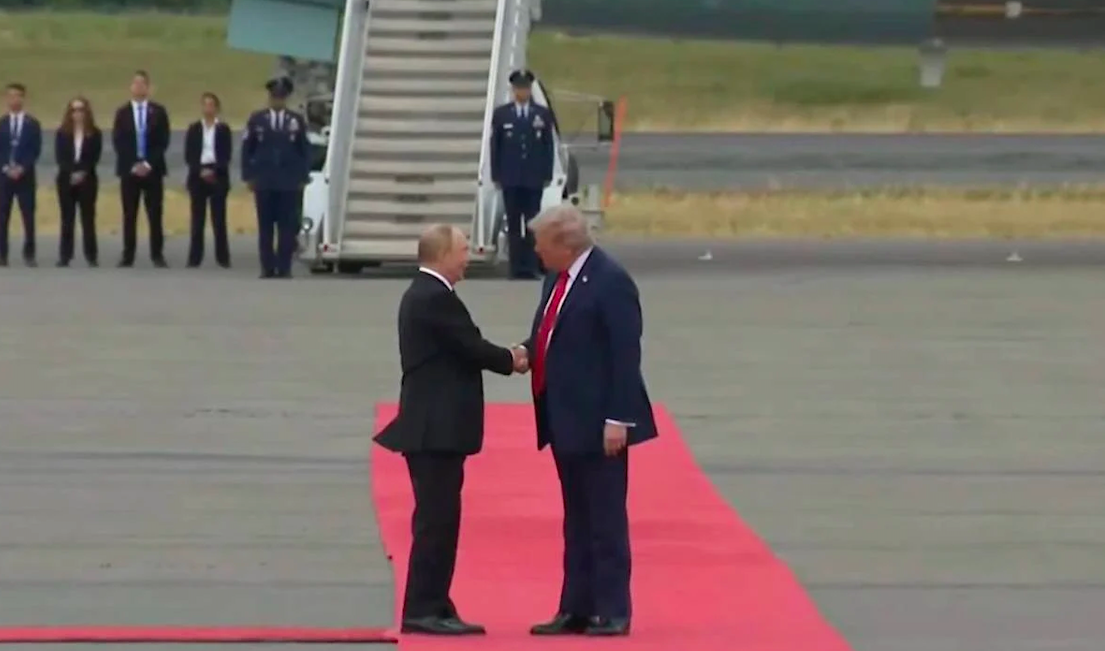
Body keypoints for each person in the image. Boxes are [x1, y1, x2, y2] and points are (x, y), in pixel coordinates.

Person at [374, 224, 525, 636]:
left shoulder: (427, 294)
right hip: (434, 429)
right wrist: (512, 359)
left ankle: (435, 602)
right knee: (436, 522)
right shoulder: (434, 298)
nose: (467, 259)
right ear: (442, 254)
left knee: (440, 520)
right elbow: (470, 347)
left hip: (434, 427)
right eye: (462, 250)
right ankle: (423, 608)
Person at [514, 204, 656, 637]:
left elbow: (624, 355)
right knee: (576, 518)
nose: (535, 252)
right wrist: (524, 352)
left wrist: (619, 418)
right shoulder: (557, 278)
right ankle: (575, 606)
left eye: (541, 244)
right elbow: (550, 333)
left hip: (600, 422)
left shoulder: (611, 281)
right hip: (564, 417)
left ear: (564, 244)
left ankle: (613, 609)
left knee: (605, 519)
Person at [489, 69, 555, 280]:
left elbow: (548, 146)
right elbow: (495, 147)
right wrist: (496, 174)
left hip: (533, 178)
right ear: (513, 90)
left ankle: (531, 265)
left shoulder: (541, 114)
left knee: (533, 224)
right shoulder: (502, 115)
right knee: (514, 224)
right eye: (519, 88)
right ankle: (516, 267)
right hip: (511, 178)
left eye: (525, 88)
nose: (522, 92)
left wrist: (547, 173)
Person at [241, 77, 309, 279]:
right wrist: (249, 175)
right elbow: (247, 149)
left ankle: (284, 266)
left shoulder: (295, 120)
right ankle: (267, 266)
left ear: (285, 99)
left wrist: (302, 176)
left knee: (286, 227)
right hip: (265, 181)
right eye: (274, 97)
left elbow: (304, 150)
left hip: (288, 182)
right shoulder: (257, 119)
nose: (277, 101)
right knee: (266, 227)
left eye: (281, 97)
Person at [112, 70, 171, 268]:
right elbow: (119, 141)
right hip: (129, 171)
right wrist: (133, 164)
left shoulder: (158, 112)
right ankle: (128, 254)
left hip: (152, 170)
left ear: (148, 87)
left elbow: (163, 140)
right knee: (129, 214)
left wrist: (148, 164)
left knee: (155, 214)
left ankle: (157, 254)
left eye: (142, 83)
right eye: (135, 83)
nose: (139, 87)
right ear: (131, 87)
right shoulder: (122, 113)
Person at [184, 92, 233, 268]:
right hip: (198, 175)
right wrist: (200, 171)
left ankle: (223, 258)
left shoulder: (223, 129)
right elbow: (189, 155)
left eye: (211, 105)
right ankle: (195, 258)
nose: (208, 108)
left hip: (217, 175)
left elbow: (226, 155)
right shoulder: (194, 129)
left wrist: (214, 170)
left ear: (217, 108)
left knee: (219, 219)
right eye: (205, 104)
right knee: (197, 219)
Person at [54, 96, 102, 267]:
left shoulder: (94, 133)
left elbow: (95, 157)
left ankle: (91, 255)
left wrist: (82, 172)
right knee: (67, 218)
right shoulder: (62, 133)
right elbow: (60, 157)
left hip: (87, 180)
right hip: (66, 180)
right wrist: (72, 172)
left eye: (81, 110)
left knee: (88, 218)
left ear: (86, 112)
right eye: (74, 110)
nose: (78, 113)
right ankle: (65, 256)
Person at [0, 82, 42, 267]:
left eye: (17, 96)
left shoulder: (32, 124)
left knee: (28, 216)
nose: (13, 99)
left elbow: (35, 150)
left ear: (23, 98)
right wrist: (6, 168)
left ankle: (29, 253)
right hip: (4, 178)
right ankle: (2, 254)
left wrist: (22, 168)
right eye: (10, 96)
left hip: (25, 177)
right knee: (2, 216)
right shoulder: (2, 123)